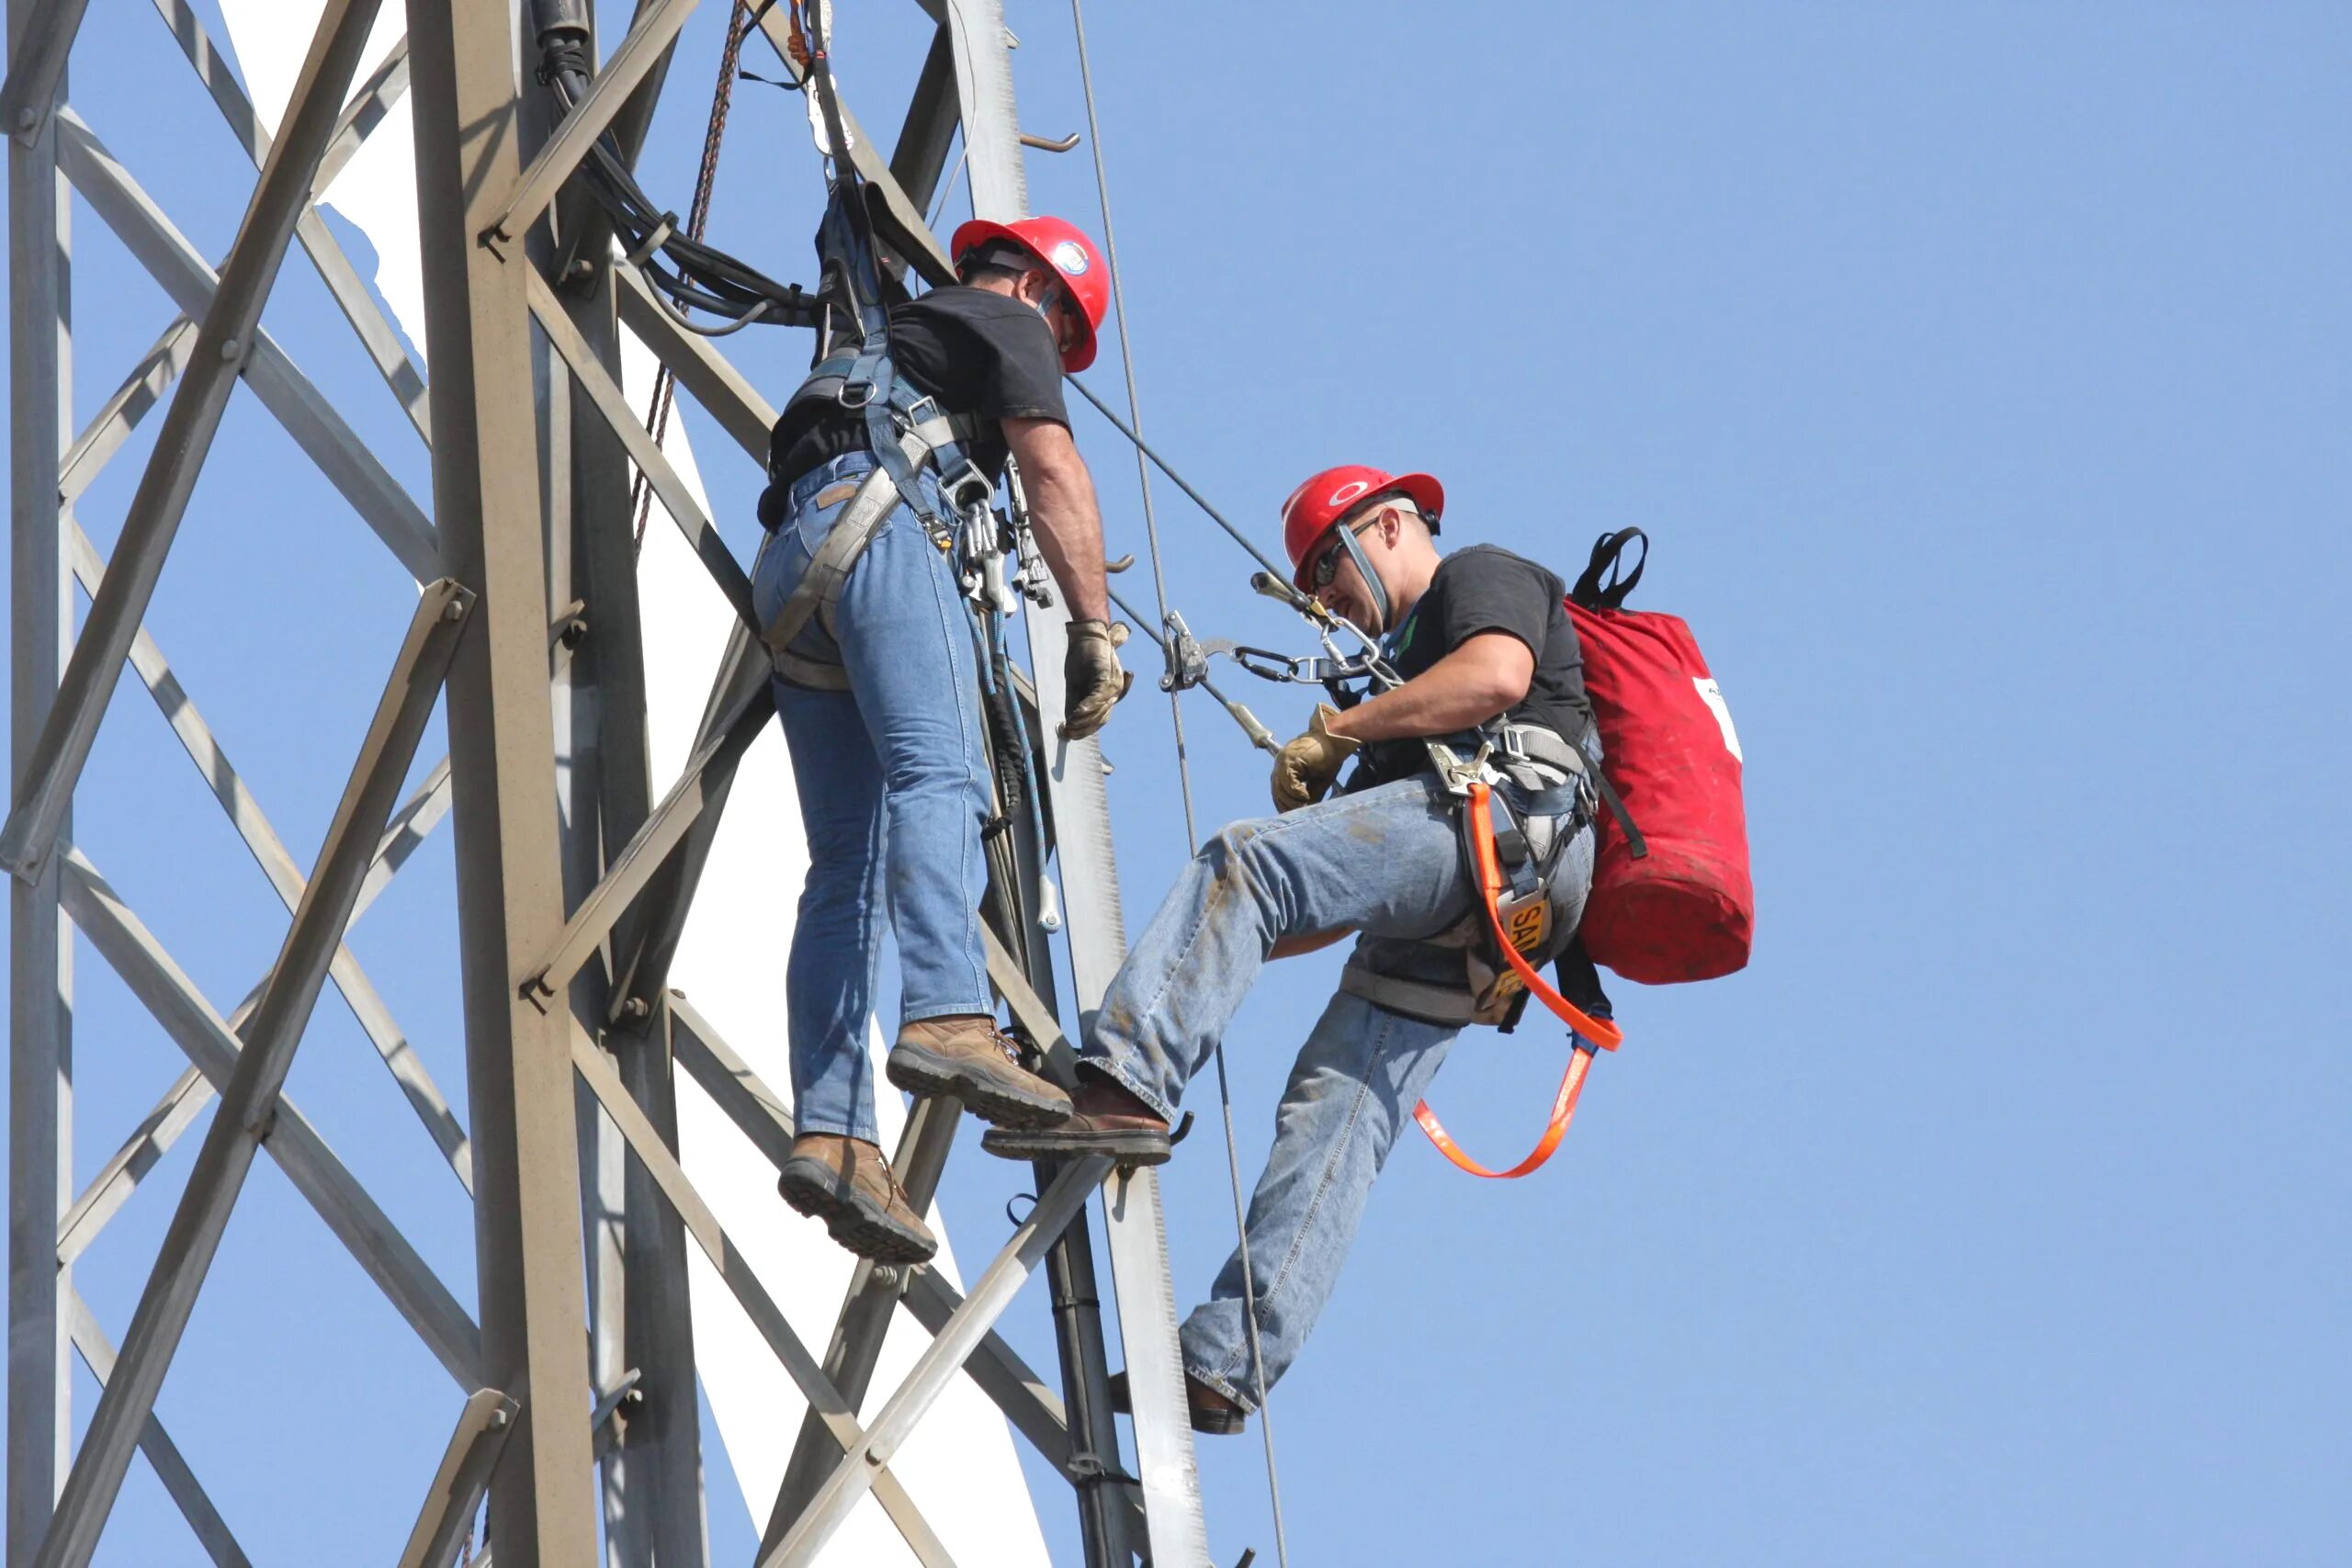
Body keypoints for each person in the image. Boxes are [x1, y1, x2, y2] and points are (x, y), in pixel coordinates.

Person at [985, 463, 1601, 1429]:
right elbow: (1314, 912)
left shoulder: (1474, 577)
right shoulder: (1400, 708)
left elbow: (1496, 677)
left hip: (1514, 825)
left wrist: (1332, 739)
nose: (1325, 600)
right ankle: (1223, 1366)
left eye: (1328, 567)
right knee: (1336, 1113)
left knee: (1245, 858)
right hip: (1488, 897)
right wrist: (1224, 930)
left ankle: (1123, 1091)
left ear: (1390, 527)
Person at [752, 216, 1131, 1264]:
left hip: (790, 568)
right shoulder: (1005, 325)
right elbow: (1049, 466)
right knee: (946, 772)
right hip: (882, 521)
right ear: (1040, 300)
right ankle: (950, 1013)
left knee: (846, 872)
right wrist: (1092, 626)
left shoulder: (875, 349)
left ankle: (832, 1135)